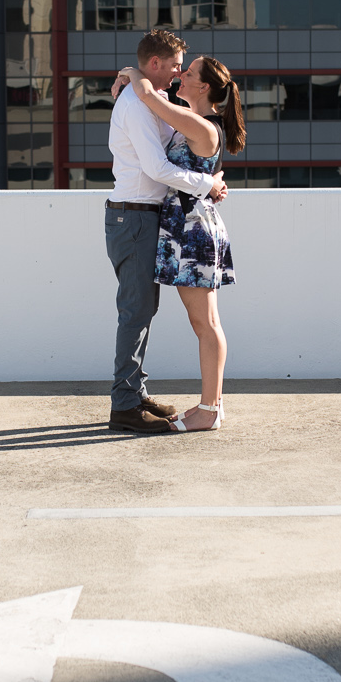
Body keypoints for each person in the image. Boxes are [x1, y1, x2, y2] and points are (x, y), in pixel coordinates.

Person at [102, 28, 227, 435]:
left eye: (185, 70)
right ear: (155, 64)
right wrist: (206, 184)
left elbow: (183, 139)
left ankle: (134, 395)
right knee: (136, 311)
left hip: (156, 221)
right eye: (176, 66)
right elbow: (157, 169)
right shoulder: (140, 105)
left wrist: (133, 77)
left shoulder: (156, 103)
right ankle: (125, 405)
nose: (178, 74)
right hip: (135, 217)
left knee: (145, 311)